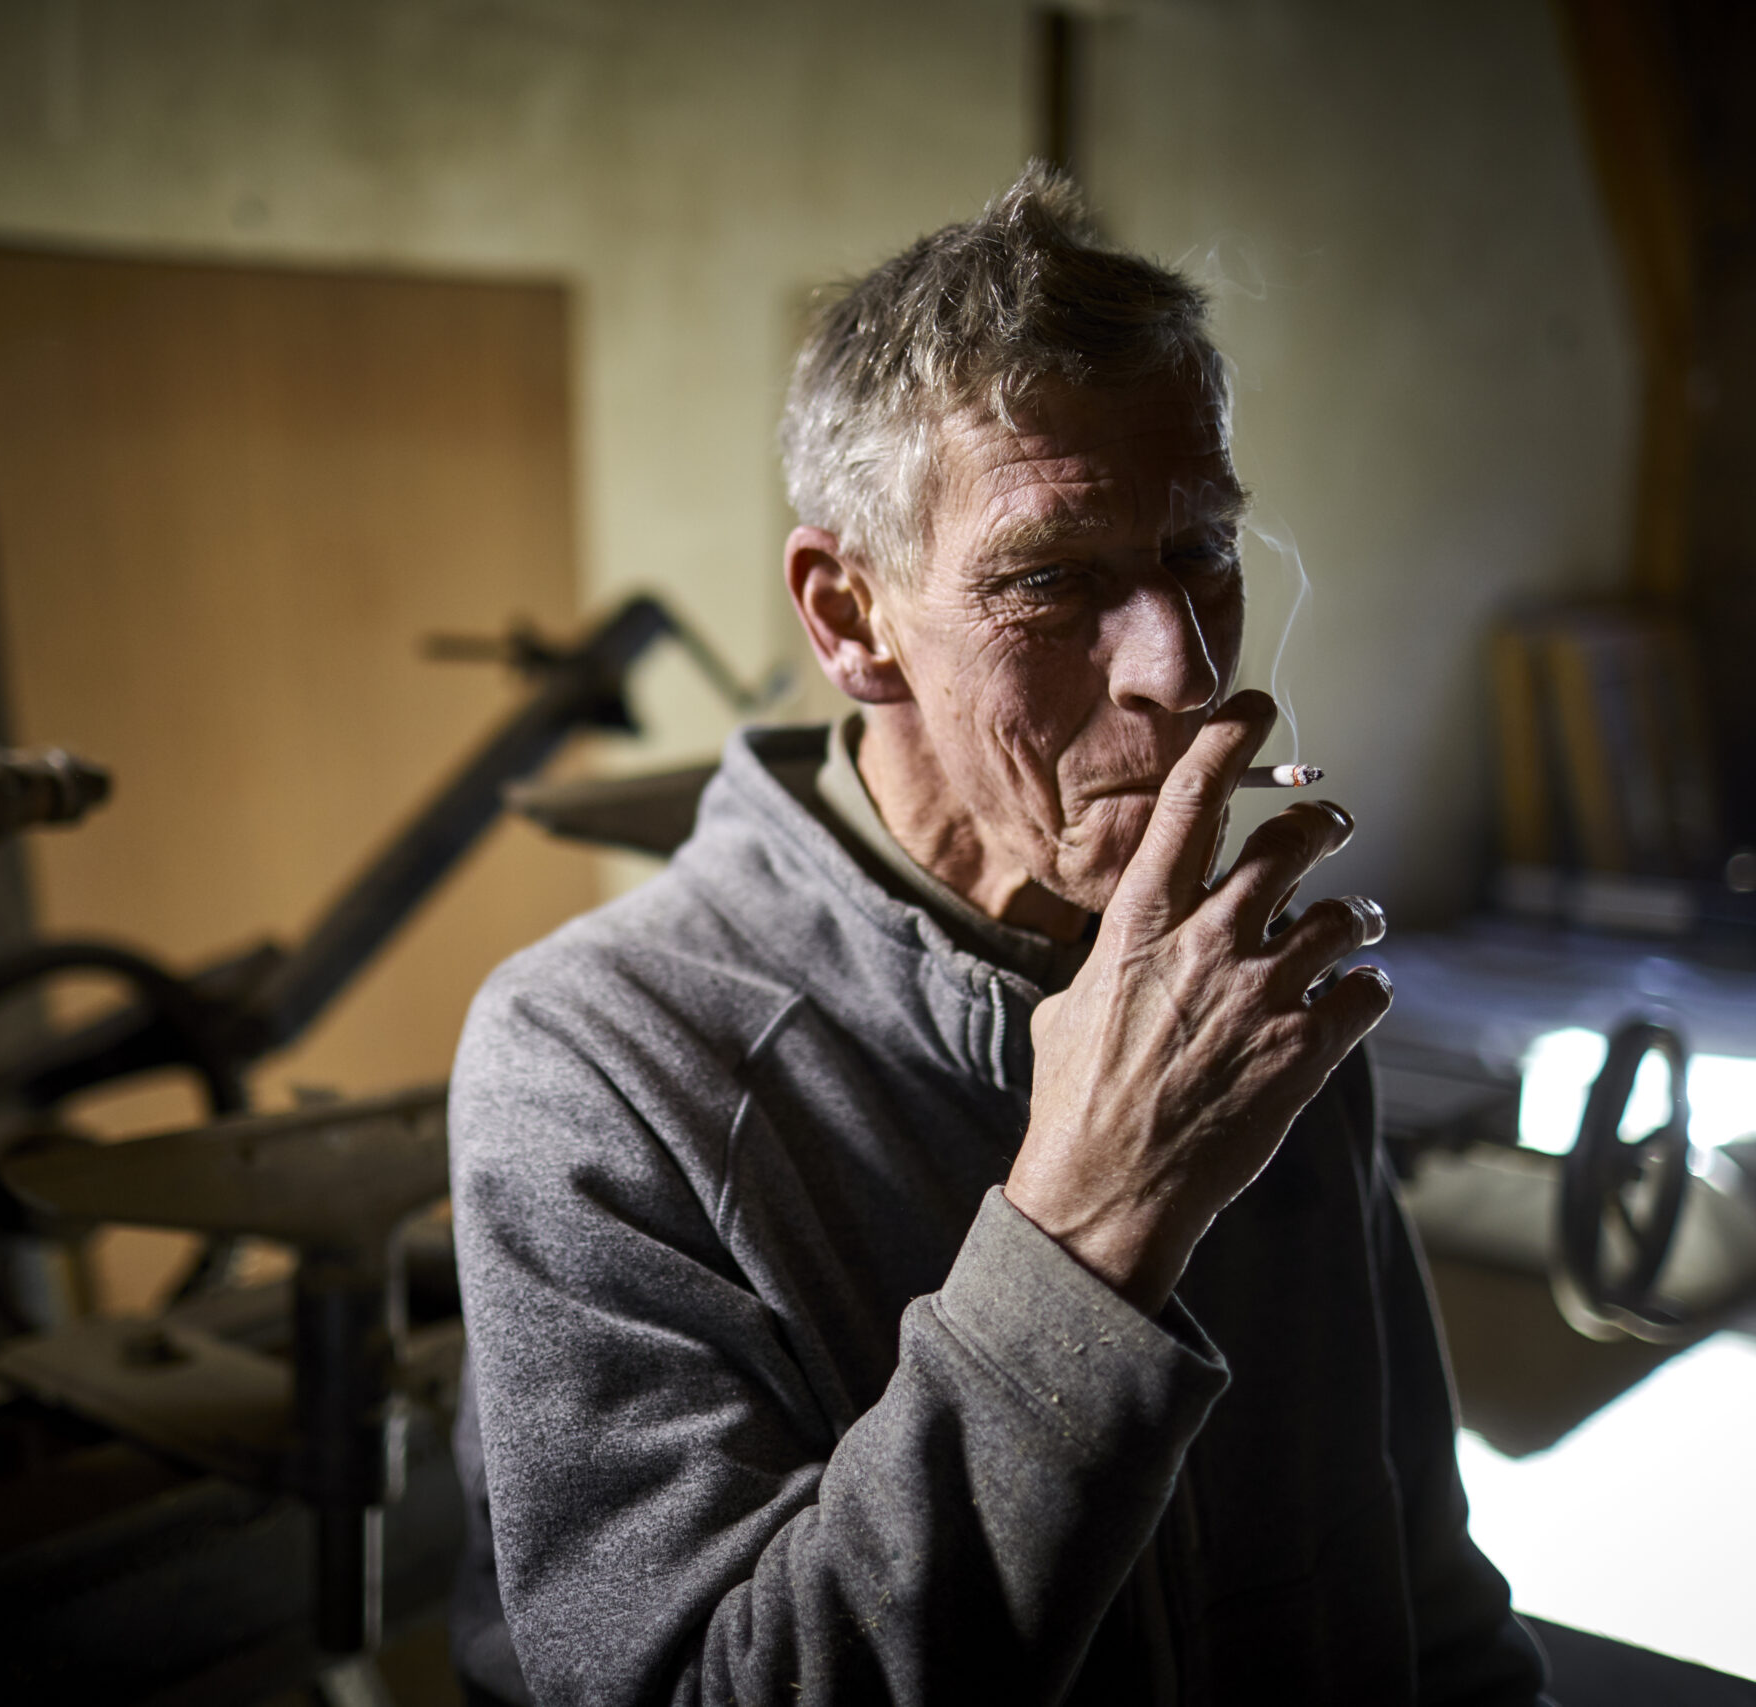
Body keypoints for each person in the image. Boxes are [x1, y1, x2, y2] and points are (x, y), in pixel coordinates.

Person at [446, 165, 1545, 1705]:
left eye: (1200, 552)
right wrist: (1090, 1226)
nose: (1178, 661)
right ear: (848, 619)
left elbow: (1419, 1592)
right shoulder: (595, 1065)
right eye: (1052, 580)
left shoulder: (1237, 994)